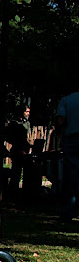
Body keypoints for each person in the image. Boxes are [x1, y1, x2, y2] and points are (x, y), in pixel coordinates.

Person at [56, 92, 79, 220]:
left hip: (72, 139)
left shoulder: (66, 100)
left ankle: (68, 211)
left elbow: (61, 120)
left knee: (70, 176)